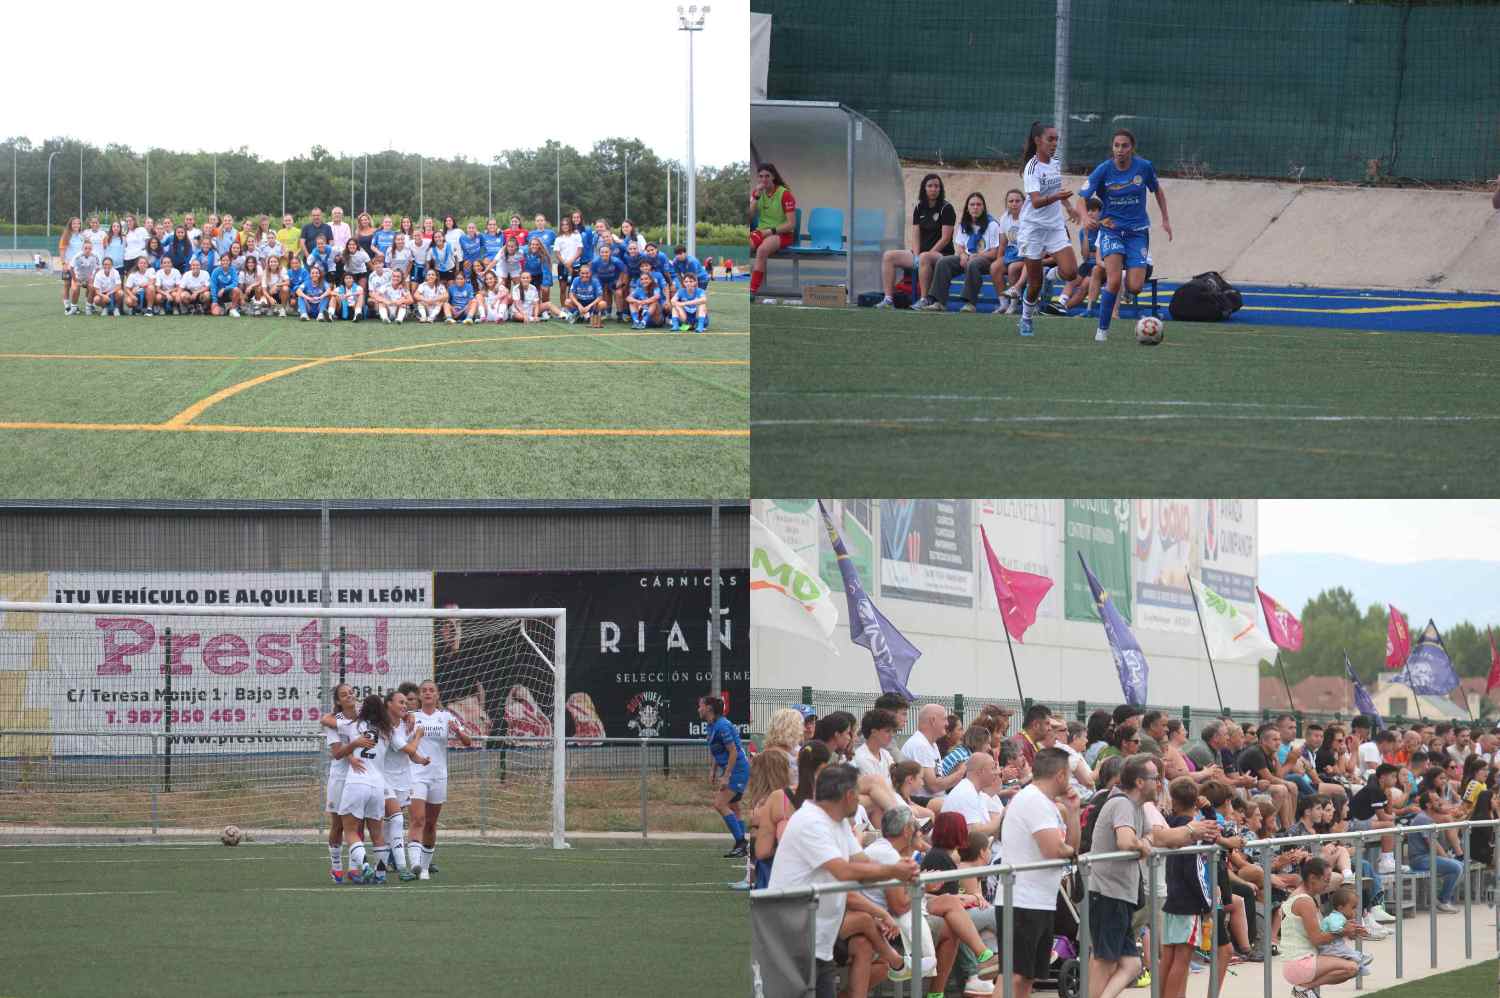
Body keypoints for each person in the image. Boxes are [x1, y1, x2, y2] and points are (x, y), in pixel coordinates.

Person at [766, 764, 919, 998]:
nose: (861, 801)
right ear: (848, 796)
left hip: (819, 942)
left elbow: (864, 864)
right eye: (858, 795)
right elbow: (843, 872)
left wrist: (899, 868)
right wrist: (894, 871)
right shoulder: (810, 822)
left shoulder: (837, 823)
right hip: (793, 941)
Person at [864, 806, 1001, 996]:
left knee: (950, 905)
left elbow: (903, 899)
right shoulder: (889, 855)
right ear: (907, 831)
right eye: (917, 828)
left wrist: (928, 890)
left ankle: (981, 958)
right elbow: (899, 906)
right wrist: (924, 887)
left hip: (894, 914)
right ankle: (982, 963)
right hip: (888, 921)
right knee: (958, 920)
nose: (922, 832)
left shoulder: (890, 851)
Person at [1074, 128, 1172, 342]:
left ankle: (1128, 285)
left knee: (1135, 286)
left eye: (1124, 145)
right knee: (1114, 280)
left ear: (1132, 148)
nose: (1120, 150)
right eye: (1116, 145)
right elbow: (1081, 198)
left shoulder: (1144, 167)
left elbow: (1158, 191)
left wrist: (1165, 219)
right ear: (1112, 148)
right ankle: (1102, 329)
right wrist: (1085, 217)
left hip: (1137, 233)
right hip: (1112, 231)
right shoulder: (1103, 170)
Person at [1002, 747, 1082, 998]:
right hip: (1021, 901)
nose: (1070, 781)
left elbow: (1071, 846)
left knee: (1028, 976)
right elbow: (1054, 849)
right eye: (1068, 774)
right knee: (1012, 976)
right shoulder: (1033, 800)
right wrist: (1069, 851)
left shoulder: (1046, 803)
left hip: (1040, 900)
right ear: (1060, 775)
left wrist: (1074, 812)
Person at [1086, 754, 1156, 998]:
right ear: (1139, 782)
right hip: (1108, 893)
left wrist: (1144, 843)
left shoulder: (1137, 807)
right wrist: (1142, 846)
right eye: (1155, 778)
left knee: (1132, 965)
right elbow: (1126, 841)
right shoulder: (1122, 804)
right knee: (1104, 961)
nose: (1159, 783)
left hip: (1120, 895)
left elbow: (1151, 836)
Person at [1159, 776, 1227, 998]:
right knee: (1182, 959)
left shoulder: (1171, 825)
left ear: (1174, 801)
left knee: (1167, 957)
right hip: (1189, 902)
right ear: (1196, 800)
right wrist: (1206, 903)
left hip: (1172, 897)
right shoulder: (1197, 831)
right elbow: (1196, 871)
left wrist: (1205, 812)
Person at [1012, 121, 1082, 337]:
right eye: (1050, 139)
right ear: (1037, 141)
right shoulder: (1031, 167)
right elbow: (1035, 202)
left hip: (1054, 226)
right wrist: (1056, 198)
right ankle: (1025, 319)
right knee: (1034, 285)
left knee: (1071, 272)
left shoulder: (1056, 162)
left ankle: (1050, 274)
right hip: (1032, 229)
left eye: (1056, 140)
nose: (1054, 144)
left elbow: (1056, 189)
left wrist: (1068, 207)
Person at [405, 679, 471, 879]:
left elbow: (468, 742)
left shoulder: (446, 717)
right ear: (419, 695)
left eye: (431, 690)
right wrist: (408, 729)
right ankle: (415, 863)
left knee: (431, 823)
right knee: (418, 819)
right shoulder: (411, 717)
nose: (427, 693)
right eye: (423, 691)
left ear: (437, 695)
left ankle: (424, 868)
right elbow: (400, 740)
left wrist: (458, 731)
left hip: (438, 776)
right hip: (416, 774)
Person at [336, 694, 396, 884]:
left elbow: (331, 726)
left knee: (351, 831)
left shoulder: (354, 725)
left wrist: (351, 746)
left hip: (357, 782)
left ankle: (364, 866)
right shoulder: (388, 731)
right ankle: (380, 875)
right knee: (377, 834)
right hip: (378, 785)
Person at [1281, 857, 1361, 998]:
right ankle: (1303, 989)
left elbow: (1322, 934)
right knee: (1351, 968)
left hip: (1301, 960)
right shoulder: (1304, 901)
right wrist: (1343, 931)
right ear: (1312, 878)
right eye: (1326, 880)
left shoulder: (1304, 896)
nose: (1328, 885)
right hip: (1299, 963)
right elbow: (1317, 939)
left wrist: (1349, 931)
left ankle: (1304, 990)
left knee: (1353, 964)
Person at [878, 173, 956, 310]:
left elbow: (945, 238)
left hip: (942, 254)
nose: (933, 189)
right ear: (924, 189)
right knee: (888, 256)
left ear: (940, 189)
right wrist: (916, 256)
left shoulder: (946, 208)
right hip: (921, 254)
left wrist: (926, 255)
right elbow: (915, 235)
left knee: (925, 257)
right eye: (930, 186)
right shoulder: (919, 208)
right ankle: (888, 299)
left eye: (936, 186)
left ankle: (924, 299)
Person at [922, 192, 1002, 313]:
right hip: (967, 258)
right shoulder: (964, 224)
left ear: (983, 207)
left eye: (979, 204)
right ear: (967, 208)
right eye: (972, 204)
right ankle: (939, 302)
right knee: (943, 262)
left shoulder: (992, 225)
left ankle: (970, 304)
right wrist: (963, 255)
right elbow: (959, 246)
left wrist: (976, 256)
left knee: (973, 263)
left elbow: (994, 253)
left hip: (986, 260)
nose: (975, 207)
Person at [318, 683, 362, 882]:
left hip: (361, 777)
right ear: (338, 701)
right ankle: (336, 867)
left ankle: (354, 868)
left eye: (351, 692)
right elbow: (336, 753)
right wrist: (351, 753)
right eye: (344, 695)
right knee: (338, 825)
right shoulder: (333, 722)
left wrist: (409, 716)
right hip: (340, 778)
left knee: (358, 823)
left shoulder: (365, 718)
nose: (349, 696)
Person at [698, 695, 748, 857]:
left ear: (709, 709)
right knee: (734, 806)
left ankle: (741, 842)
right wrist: (713, 770)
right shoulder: (711, 726)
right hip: (732, 769)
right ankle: (743, 847)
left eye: (701, 706)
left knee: (719, 804)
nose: (698, 709)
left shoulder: (722, 726)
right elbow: (716, 750)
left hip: (737, 769)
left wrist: (726, 776)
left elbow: (733, 751)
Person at [748, 749, 795, 890]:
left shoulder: (759, 806)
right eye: (790, 767)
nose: (793, 772)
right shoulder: (781, 802)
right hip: (777, 873)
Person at [903, 703, 968, 804]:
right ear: (933, 720)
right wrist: (960, 773)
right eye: (944, 719)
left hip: (938, 800)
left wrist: (956, 772)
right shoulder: (920, 745)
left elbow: (938, 778)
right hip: (925, 803)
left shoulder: (931, 745)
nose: (947, 724)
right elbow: (933, 786)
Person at [748, 162, 796, 297]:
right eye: (760, 176)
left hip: (782, 233)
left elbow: (791, 224)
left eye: (767, 176)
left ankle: (752, 291)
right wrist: (755, 198)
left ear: (773, 177)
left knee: (762, 250)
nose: (763, 180)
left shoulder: (785, 194)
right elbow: (750, 217)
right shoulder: (757, 193)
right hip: (761, 231)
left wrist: (770, 231)